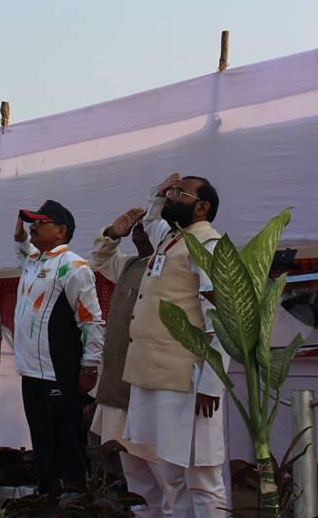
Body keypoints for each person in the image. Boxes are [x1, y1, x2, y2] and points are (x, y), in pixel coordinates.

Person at [121, 173, 228, 518]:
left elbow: (223, 319)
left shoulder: (209, 245)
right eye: (171, 193)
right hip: (154, 375)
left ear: (202, 207)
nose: (171, 198)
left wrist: (213, 382)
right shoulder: (171, 239)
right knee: (169, 474)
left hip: (188, 379)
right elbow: (151, 219)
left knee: (201, 476)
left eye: (180, 193)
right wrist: (158, 192)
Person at [13, 199, 103, 495]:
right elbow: (24, 251)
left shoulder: (74, 266)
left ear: (61, 230)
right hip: (31, 374)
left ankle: (76, 502)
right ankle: (48, 499)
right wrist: (20, 240)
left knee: (67, 447)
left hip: (58, 374)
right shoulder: (33, 261)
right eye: (32, 222)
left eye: (41, 222)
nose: (33, 227)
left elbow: (91, 320)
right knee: (42, 446)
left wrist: (90, 366)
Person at [90, 214, 173, 516]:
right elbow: (99, 258)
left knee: (168, 480)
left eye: (146, 224)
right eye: (136, 225)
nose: (139, 227)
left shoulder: (173, 265)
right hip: (119, 392)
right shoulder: (128, 265)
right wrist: (113, 232)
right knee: (137, 483)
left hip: (150, 392)